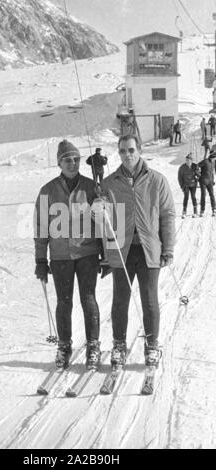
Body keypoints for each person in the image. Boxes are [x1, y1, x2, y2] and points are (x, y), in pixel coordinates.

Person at [97, 134, 176, 369]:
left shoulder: (157, 181)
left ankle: (152, 346)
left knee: (149, 300)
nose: (127, 155)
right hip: (122, 251)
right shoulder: (109, 184)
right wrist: (98, 209)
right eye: (122, 151)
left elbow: (167, 216)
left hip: (148, 249)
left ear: (139, 150)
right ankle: (119, 345)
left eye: (131, 150)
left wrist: (168, 248)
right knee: (120, 300)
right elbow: (104, 223)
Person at [34, 140, 102, 371]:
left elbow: (103, 223)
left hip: (87, 252)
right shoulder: (48, 190)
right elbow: (41, 227)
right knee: (64, 302)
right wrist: (41, 260)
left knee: (88, 299)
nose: (72, 164)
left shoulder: (91, 187)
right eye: (67, 160)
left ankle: (93, 345)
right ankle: (64, 346)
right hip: (61, 255)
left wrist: (106, 253)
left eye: (76, 159)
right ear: (59, 163)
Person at [178, 154, 199, 218]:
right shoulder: (182, 167)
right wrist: (182, 186)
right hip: (186, 185)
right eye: (186, 160)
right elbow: (179, 177)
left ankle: (195, 211)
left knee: (193, 197)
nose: (188, 162)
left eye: (189, 160)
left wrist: (197, 173)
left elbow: (198, 175)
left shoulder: (195, 166)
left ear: (191, 161)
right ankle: (184, 212)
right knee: (186, 197)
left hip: (193, 184)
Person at [198, 149, 216, 217]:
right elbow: (197, 166)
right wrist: (199, 175)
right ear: (211, 156)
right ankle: (202, 210)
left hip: (210, 181)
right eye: (214, 157)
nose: (214, 159)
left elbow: (212, 173)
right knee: (203, 195)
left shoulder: (213, 162)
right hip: (203, 181)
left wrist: (213, 180)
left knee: (212, 195)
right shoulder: (205, 161)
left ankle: (214, 209)